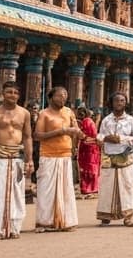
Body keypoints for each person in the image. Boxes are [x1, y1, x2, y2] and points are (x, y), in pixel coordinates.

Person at [0, 81, 32, 240]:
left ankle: (14, 227)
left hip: (16, 158)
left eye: (16, 93)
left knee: (17, 194)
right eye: (9, 92)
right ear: (3, 93)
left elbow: (27, 137)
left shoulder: (24, 113)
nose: (13, 95)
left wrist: (29, 160)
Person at [33, 86, 81, 232]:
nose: (63, 98)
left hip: (65, 155)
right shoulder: (44, 114)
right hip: (48, 155)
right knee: (46, 190)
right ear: (51, 97)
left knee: (66, 189)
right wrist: (61, 131)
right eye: (59, 95)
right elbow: (37, 135)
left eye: (65, 96)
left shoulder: (69, 112)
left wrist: (76, 140)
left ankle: (66, 221)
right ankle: (44, 222)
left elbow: (76, 132)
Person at [96, 92, 133, 227]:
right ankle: (105, 214)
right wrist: (105, 138)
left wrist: (121, 139)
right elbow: (99, 136)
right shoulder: (106, 120)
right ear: (112, 103)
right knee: (106, 185)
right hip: (108, 156)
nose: (119, 103)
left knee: (126, 186)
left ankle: (128, 217)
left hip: (125, 156)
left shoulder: (131, 120)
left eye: (122, 101)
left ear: (125, 103)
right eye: (116, 101)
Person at [76, 107, 101, 198]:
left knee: (88, 169)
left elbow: (83, 136)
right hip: (91, 149)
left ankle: (88, 189)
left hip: (88, 150)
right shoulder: (90, 121)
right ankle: (92, 189)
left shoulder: (86, 122)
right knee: (91, 168)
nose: (79, 115)